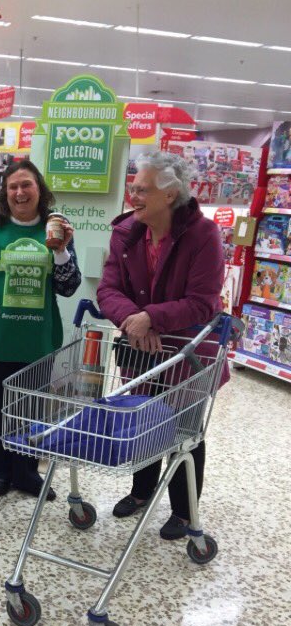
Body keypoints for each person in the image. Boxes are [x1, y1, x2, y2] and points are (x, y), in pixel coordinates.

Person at [97, 150, 226, 540]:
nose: (133, 195)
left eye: (143, 189)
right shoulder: (125, 233)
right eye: (132, 187)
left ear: (170, 195)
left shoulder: (203, 235)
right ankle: (141, 491)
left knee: (185, 431)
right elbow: (108, 290)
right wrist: (134, 321)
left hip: (189, 354)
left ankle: (185, 511)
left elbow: (204, 301)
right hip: (141, 350)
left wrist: (150, 316)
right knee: (143, 419)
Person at [0, 160, 81, 500]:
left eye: (26, 184)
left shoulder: (56, 228)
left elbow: (69, 287)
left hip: (37, 335)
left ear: (38, 189)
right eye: (12, 186)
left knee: (31, 407)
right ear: (4, 192)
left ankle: (26, 473)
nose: (19, 192)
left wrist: (61, 254)